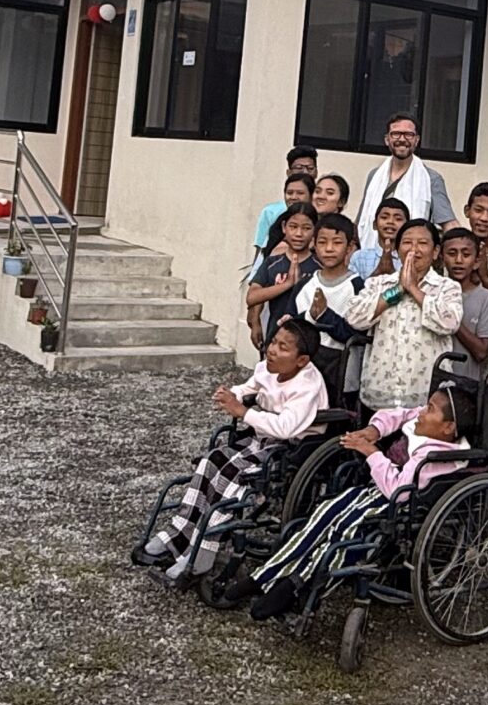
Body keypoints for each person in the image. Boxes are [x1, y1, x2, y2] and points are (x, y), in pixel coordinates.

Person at [244, 387, 471, 621]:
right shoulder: (429, 427)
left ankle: (296, 585)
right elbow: (402, 414)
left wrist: (371, 452)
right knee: (324, 514)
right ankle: (263, 575)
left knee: (344, 531)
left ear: (448, 427)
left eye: (430, 409)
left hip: (396, 503)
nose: (422, 412)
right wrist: (374, 430)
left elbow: (398, 491)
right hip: (376, 490)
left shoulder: (434, 456)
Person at [139, 317, 329, 586]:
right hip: (261, 438)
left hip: (289, 448)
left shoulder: (306, 385)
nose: (272, 350)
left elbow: (286, 428)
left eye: (283, 347)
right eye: (274, 342)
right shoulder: (269, 368)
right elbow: (249, 386)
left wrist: (242, 411)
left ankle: (202, 552)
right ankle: (179, 531)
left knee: (232, 474)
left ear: (302, 360)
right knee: (211, 461)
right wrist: (232, 394)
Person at [340, 219, 463, 411]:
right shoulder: (379, 284)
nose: (414, 249)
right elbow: (354, 317)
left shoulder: (447, 287)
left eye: (422, 243)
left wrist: (413, 289)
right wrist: (397, 291)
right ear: (397, 251)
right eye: (407, 242)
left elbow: (450, 322)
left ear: (435, 252)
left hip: (426, 398)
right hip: (380, 394)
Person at [354, 113, 451, 250]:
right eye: (396, 134)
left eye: (408, 135)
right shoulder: (374, 176)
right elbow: (361, 221)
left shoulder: (431, 179)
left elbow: (448, 223)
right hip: (371, 255)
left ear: (416, 140)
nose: (402, 139)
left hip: (412, 254)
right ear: (387, 139)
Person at [298, 213, 366, 402]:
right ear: (314, 244)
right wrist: (308, 316)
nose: (329, 249)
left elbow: (358, 332)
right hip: (305, 370)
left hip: (342, 373)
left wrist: (325, 315)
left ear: (349, 247)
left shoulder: (358, 287)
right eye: (322, 242)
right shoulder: (305, 285)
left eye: (337, 243)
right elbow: (292, 328)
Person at [243, 201, 317, 349]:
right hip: (274, 339)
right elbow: (252, 297)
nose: (299, 234)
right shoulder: (272, 263)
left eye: (306, 228)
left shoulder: (319, 267)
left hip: (308, 344)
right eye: (293, 226)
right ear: (284, 227)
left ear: (315, 230)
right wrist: (287, 284)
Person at [440, 225, 488, 382]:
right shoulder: (433, 294)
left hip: (466, 384)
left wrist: (451, 320)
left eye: (466, 254)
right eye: (452, 253)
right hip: (432, 382)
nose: (458, 260)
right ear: (441, 258)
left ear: (477, 261)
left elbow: (481, 352)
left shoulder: (487, 299)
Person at [253, 170, 315, 251]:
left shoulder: (319, 221)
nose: (293, 197)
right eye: (289, 193)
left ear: (312, 196)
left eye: (300, 193)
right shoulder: (277, 224)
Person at [351, 197, 407, 281]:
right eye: (384, 217)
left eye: (398, 219)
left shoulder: (410, 258)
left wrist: (392, 274)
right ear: (374, 225)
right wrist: (378, 271)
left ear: (407, 227)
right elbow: (352, 288)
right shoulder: (359, 257)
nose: (390, 222)